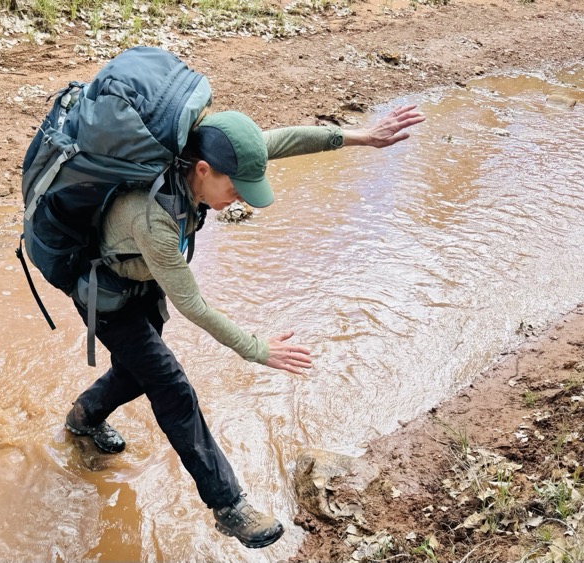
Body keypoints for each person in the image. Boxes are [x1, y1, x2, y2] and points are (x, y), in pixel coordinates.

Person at [64, 105, 424, 548]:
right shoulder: (153, 218)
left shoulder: (216, 155)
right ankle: (229, 505)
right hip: (107, 297)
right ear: (202, 170)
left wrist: (363, 136)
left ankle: (82, 418)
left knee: (140, 371)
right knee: (170, 384)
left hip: (140, 281)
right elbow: (193, 303)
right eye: (235, 187)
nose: (240, 196)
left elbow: (286, 140)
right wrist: (256, 348)